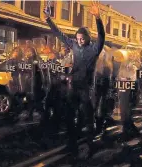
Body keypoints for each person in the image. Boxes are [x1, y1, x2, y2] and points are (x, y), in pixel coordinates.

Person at [44, 0, 105, 155]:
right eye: (77, 38)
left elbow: (102, 35)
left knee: (87, 116)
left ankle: (90, 144)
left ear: (88, 37)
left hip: (86, 88)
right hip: (74, 86)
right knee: (70, 115)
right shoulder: (75, 45)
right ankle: (71, 143)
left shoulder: (94, 49)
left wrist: (98, 18)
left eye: (82, 38)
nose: (79, 40)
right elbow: (60, 34)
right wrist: (48, 20)